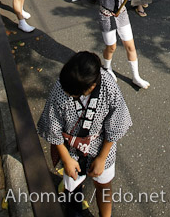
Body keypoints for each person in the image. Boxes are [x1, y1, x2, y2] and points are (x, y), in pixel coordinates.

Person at [37, 51, 132, 217]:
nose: (68, 95)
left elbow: (116, 124)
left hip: (101, 146)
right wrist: (66, 159)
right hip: (72, 149)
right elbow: (53, 126)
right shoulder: (63, 86)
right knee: (73, 186)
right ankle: (74, 211)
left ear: (92, 87)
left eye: (73, 94)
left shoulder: (108, 86)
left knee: (104, 185)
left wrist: (102, 158)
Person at [95, 0, 149, 88]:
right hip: (107, 15)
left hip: (122, 13)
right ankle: (107, 68)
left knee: (130, 46)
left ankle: (136, 76)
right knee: (111, 47)